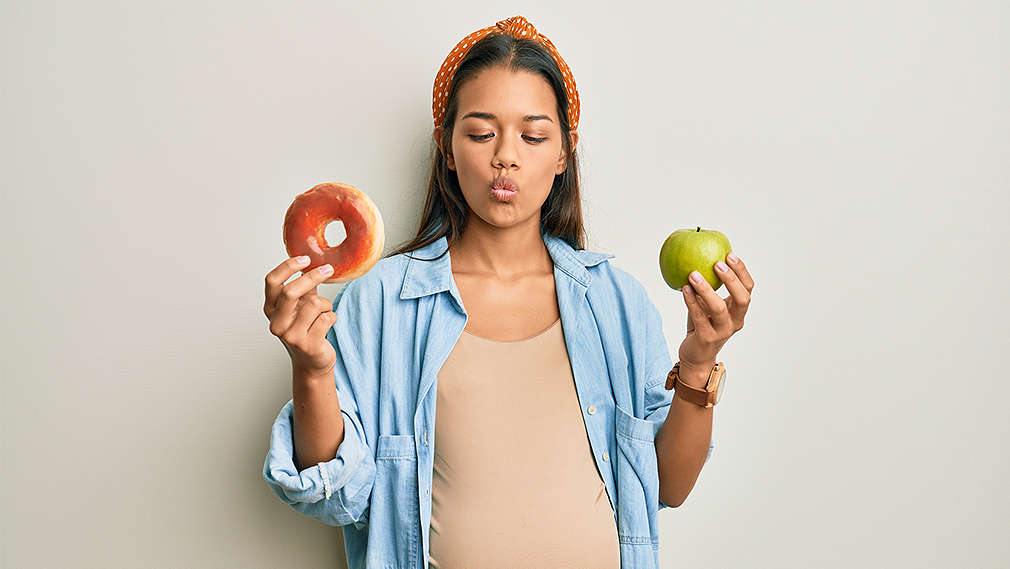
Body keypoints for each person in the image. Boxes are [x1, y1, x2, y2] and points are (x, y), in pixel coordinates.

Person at [261, 15, 753, 569]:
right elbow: (333, 493)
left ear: (563, 154)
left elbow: (668, 486)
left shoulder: (615, 299)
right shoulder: (378, 301)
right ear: (447, 149)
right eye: (480, 133)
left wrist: (699, 360)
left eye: (534, 135)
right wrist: (311, 369)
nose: (506, 156)